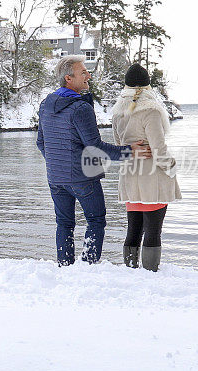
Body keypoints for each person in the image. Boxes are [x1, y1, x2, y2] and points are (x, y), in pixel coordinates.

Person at [37, 56, 151, 266]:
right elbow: (95, 147)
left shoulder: (46, 105)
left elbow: (41, 143)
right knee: (96, 220)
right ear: (69, 79)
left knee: (64, 223)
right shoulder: (80, 108)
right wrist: (130, 151)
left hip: (56, 178)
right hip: (82, 178)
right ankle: (88, 266)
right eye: (83, 73)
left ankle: (65, 266)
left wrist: (57, 164)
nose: (88, 75)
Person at [111, 63, 182, 271]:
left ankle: (130, 270)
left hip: (129, 175)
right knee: (153, 230)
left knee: (133, 228)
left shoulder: (118, 112)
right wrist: (172, 167)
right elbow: (159, 149)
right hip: (152, 177)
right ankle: (151, 273)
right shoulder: (150, 111)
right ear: (148, 86)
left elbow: (119, 147)